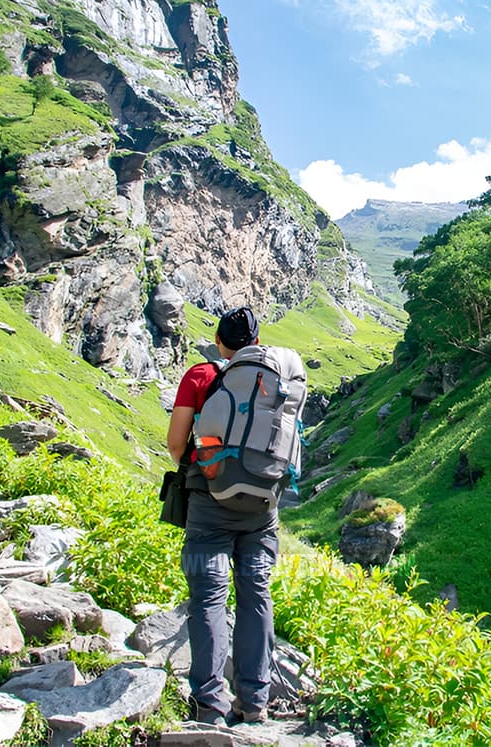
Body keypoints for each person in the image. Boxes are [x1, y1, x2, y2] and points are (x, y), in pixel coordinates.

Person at [166, 306, 277, 727]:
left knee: (209, 598)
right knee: (256, 596)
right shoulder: (274, 378)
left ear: (218, 340)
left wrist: (201, 468)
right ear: (258, 344)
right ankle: (254, 702)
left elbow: (177, 444)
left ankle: (210, 705)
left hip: (209, 507)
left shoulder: (200, 376)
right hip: (263, 511)